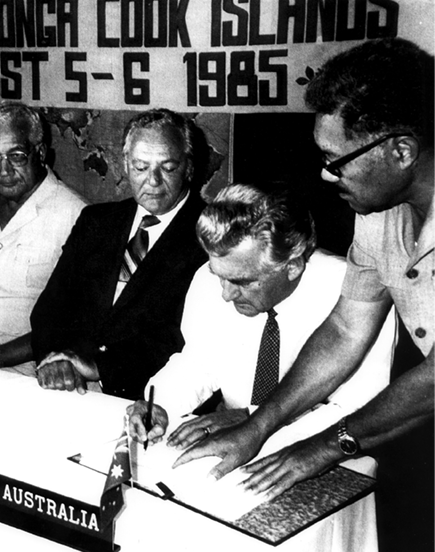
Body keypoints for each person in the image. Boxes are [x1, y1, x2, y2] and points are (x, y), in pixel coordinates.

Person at [172, 38, 435, 552]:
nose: (324, 174)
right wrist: (258, 426)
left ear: (400, 151)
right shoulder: (377, 215)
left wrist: (322, 448)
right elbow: (344, 329)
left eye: (336, 160)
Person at [128, 182, 395, 456]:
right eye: (218, 275)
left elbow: (358, 407)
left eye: (241, 282)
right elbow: (198, 362)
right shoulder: (210, 280)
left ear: (292, 266)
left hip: (328, 453)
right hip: (235, 440)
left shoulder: (354, 293)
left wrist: (256, 421)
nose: (225, 294)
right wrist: (160, 403)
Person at [30, 108, 208, 399]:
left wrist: (101, 367)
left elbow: (183, 341)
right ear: (125, 164)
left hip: (150, 398)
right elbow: (50, 309)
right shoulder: (96, 221)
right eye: (140, 167)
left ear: (188, 167)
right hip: (68, 388)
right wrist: (55, 362)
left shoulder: (209, 236)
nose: (153, 180)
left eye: (168, 167)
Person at [0, 101, 86, 376]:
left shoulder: (77, 215)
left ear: (40, 153)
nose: (3, 170)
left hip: (25, 371)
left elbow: (73, 325)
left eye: (16, 156)